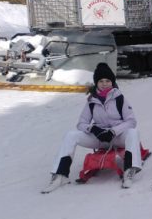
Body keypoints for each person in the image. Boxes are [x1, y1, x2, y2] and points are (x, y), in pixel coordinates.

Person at [41, 62, 143, 192]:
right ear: (96, 83)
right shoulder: (91, 101)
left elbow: (131, 121)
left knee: (133, 133)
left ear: (112, 82)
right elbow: (81, 123)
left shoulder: (120, 99)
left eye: (107, 80)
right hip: (99, 139)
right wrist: (93, 129)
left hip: (117, 138)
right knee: (71, 135)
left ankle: (129, 170)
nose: (104, 83)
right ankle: (60, 175)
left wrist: (113, 131)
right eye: (101, 81)